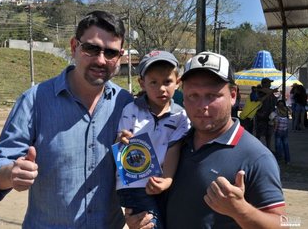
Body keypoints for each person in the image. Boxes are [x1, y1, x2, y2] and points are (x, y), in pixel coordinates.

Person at [0, 10, 133, 229]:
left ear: (120, 56)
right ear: (74, 47)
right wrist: (10, 174)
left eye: (110, 53)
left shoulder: (125, 103)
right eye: (91, 48)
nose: (101, 60)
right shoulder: (34, 100)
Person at [126, 52, 286, 228]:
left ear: (233, 95)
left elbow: (288, 223)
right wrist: (141, 218)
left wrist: (241, 211)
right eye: (193, 95)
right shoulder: (176, 142)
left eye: (212, 95)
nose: (202, 106)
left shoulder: (257, 156)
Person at [116, 51, 190, 228]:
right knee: (150, 224)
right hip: (133, 184)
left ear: (177, 82)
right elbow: (122, 137)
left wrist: (167, 180)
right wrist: (122, 137)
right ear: (142, 83)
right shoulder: (131, 109)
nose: (161, 88)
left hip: (161, 184)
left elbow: (174, 149)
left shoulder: (181, 116)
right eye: (153, 82)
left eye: (167, 82)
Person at [255, 78, 277, 150]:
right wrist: (271, 92)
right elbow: (260, 100)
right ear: (264, 84)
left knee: (269, 134)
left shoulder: (271, 92)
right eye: (269, 83)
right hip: (261, 116)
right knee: (259, 134)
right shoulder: (259, 91)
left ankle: (269, 148)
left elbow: (274, 101)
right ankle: (256, 149)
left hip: (270, 116)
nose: (270, 84)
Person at [273, 100, 291, 164]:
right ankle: (287, 159)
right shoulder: (286, 114)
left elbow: (276, 123)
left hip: (278, 131)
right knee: (286, 145)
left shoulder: (277, 114)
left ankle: (278, 159)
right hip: (285, 131)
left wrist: (274, 129)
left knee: (278, 145)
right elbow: (290, 111)